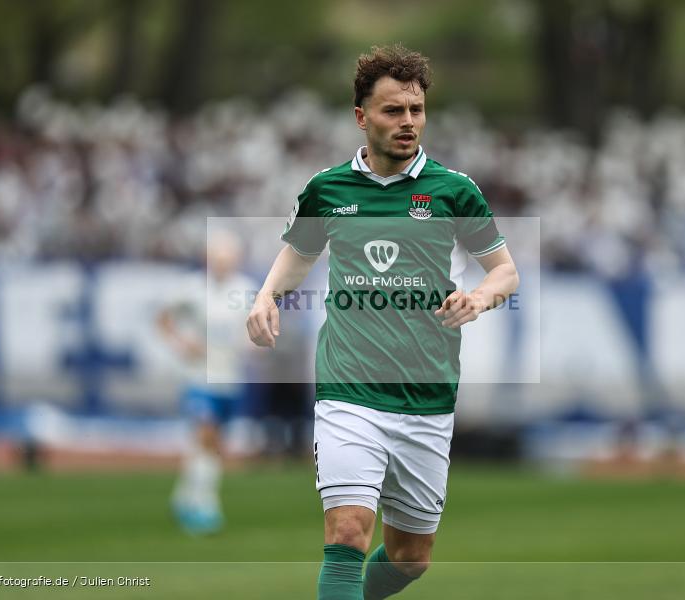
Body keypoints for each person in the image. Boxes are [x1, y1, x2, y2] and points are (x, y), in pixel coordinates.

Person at [246, 45, 519, 599]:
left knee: (411, 558)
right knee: (348, 532)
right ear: (361, 116)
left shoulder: (454, 191)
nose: (408, 121)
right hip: (348, 390)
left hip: (427, 397)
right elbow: (297, 255)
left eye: (417, 110)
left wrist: (479, 298)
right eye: (394, 110)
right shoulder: (328, 190)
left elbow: (505, 271)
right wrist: (266, 296)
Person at [158, 231, 255, 534]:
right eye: (217, 260)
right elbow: (163, 318)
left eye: (228, 260)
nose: (222, 265)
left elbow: (259, 327)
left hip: (230, 379)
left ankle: (183, 497)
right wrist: (180, 343)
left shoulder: (245, 289)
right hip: (198, 376)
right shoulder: (192, 288)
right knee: (206, 435)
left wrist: (254, 342)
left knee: (209, 445)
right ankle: (206, 504)